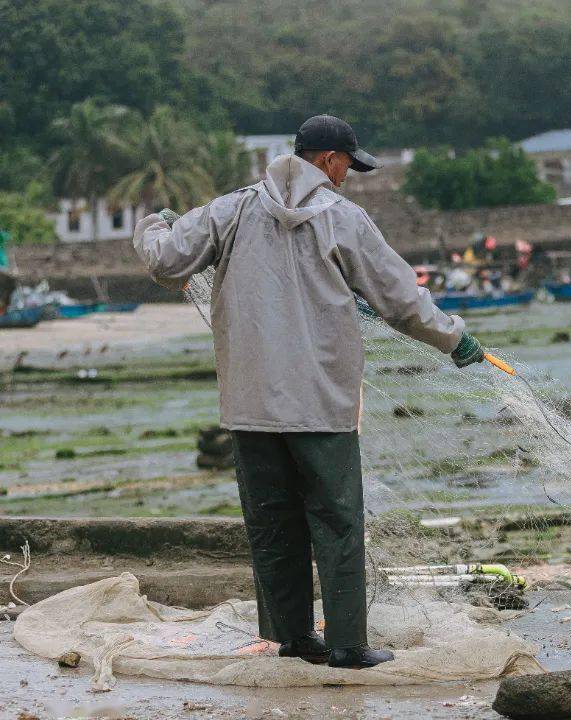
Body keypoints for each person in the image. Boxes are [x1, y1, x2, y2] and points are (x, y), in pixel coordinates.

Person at [131, 115, 488, 670]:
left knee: (272, 523)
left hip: (250, 404)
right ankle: (347, 645)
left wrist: (155, 223)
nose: (349, 176)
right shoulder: (344, 219)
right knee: (338, 522)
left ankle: (292, 637)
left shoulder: (230, 210)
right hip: (321, 403)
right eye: (348, 164)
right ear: (326, 160)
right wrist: (455, 339)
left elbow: (165, 260)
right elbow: (400, 298)